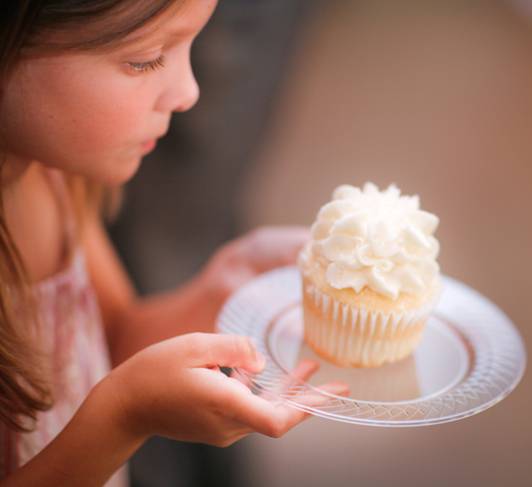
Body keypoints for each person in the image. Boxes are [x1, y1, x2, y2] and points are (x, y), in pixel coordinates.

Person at [0, 1, 348, 486]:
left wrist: (222, 290)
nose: (188, 93)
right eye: (144, 59)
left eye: (191, 45)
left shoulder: (54, 180)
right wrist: (123, 419)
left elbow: (113, 341)